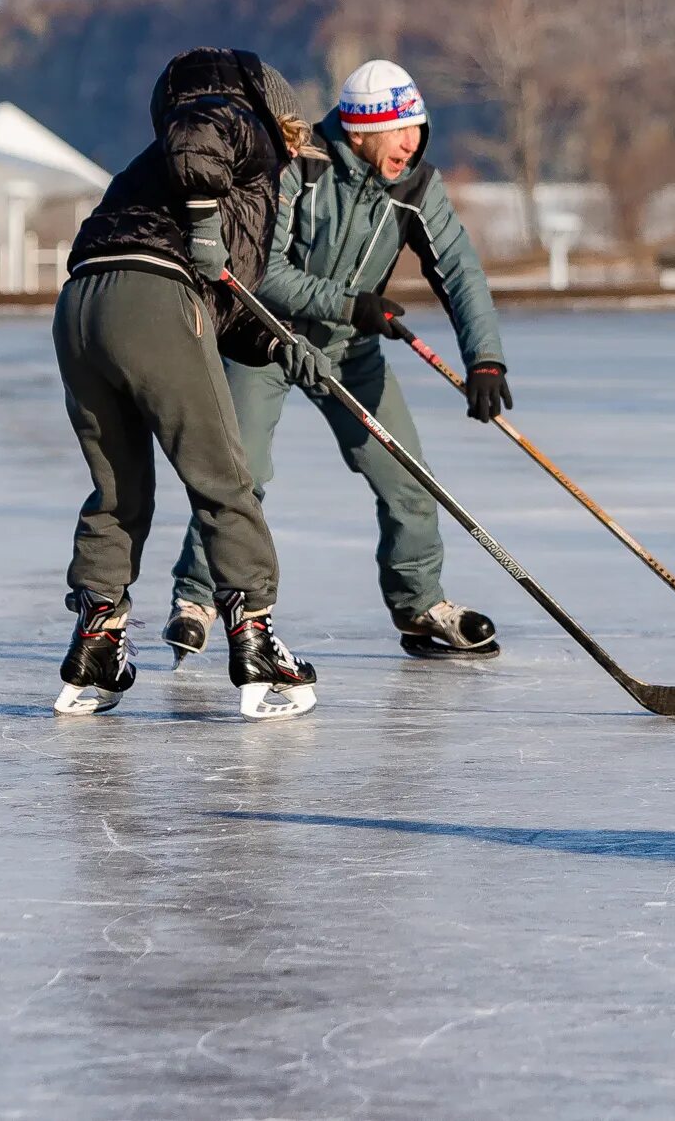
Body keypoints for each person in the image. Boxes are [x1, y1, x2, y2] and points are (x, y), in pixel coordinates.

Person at [165, 58, 512, 663]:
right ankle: (197, 597)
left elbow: (461, 271)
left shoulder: (414, 187)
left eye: (418, 127)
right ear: (361, 132)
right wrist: (352, 304)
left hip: (350, 351)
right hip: (265, 339)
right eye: (400, 129)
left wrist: (485, 360)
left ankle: (419, 604)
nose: (413, 141)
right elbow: (264, 273)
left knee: (409, 479)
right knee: (240, 474)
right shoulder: (300, 166)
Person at [49, 47, 334, 720]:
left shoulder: (155, 170)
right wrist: (205, 219)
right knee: (222, 477)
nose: (296, 165)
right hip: (153, 296)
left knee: (119, 488)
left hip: (83, 305)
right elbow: (198, 138)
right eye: (297, 147)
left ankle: (97, 637)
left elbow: (221, 309)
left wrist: (279, 344)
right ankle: (255, 637)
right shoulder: (233, 118)